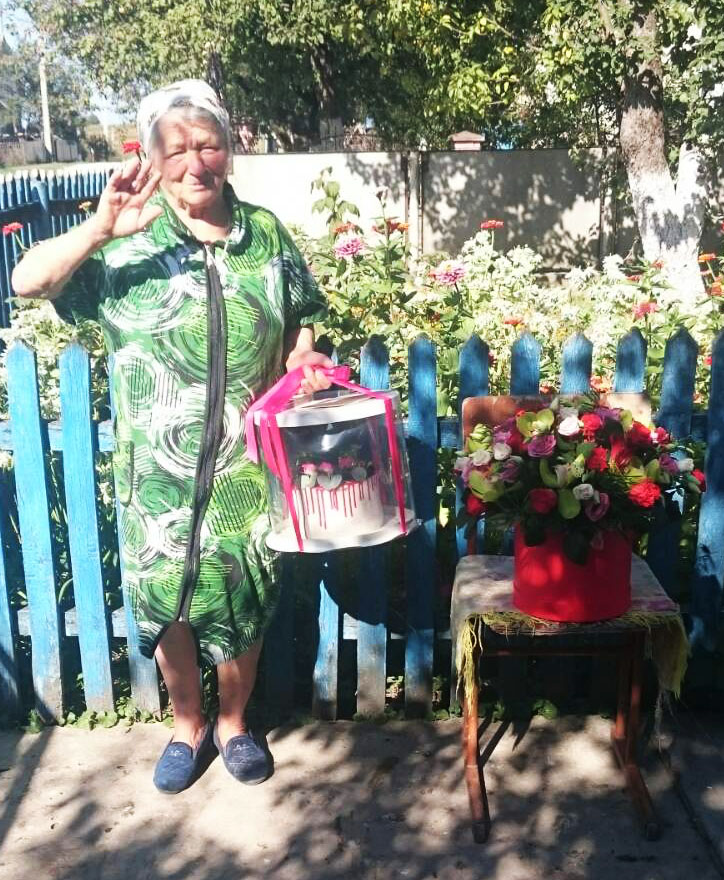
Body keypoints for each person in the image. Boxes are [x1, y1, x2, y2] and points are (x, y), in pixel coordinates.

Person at [12, 79, 332, 793]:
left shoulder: (264, 234)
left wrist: (302, 356)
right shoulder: (128, 239)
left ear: (229, 150)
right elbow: (28, 281)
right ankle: (187, 726)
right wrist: (100, 229)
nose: (195, 162)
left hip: (246, 463)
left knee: (244, 593)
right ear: (153, 158)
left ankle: (234, 725)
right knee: (167, 602)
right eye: (177, 148)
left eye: (208, 144)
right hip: (153, 471)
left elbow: (301, 315)